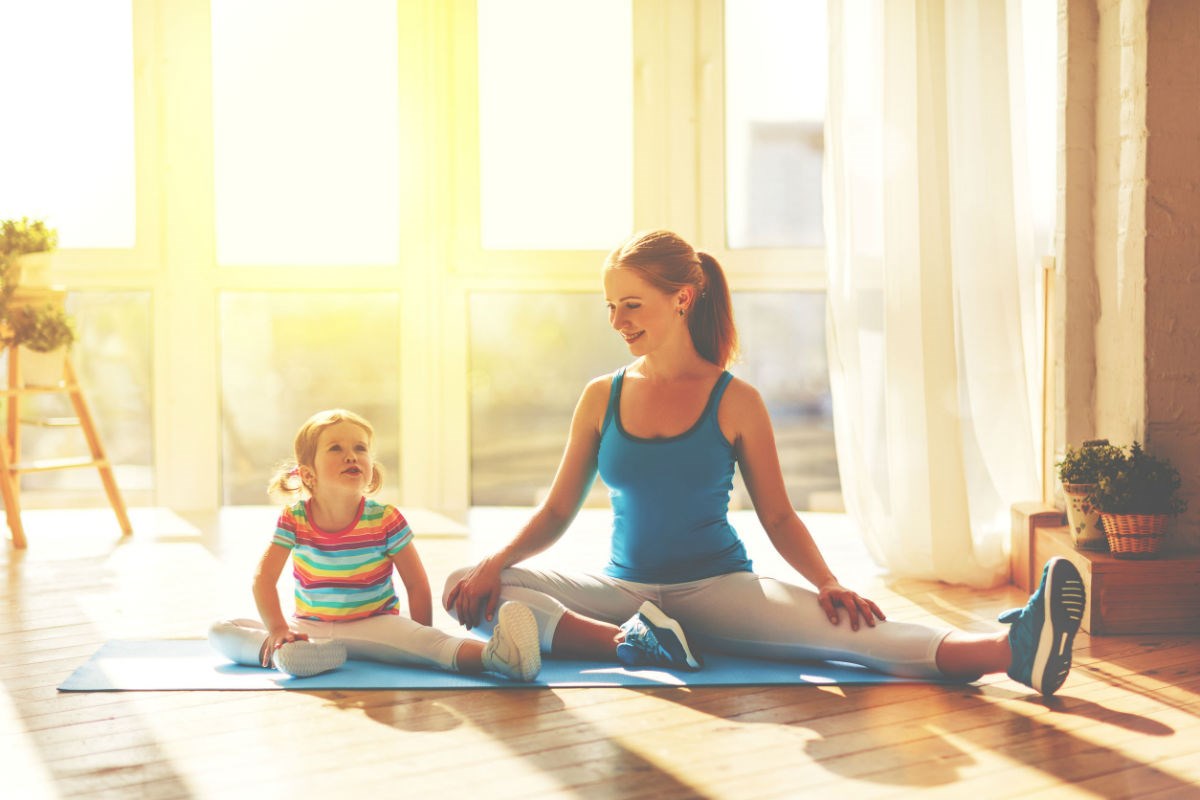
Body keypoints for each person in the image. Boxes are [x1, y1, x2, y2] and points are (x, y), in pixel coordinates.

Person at [443, 229, 1086, 696]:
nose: (617, 320)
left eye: (631, 304)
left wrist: (827, 581)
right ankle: (634, 644)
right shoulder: (600, 396)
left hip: (719, 588)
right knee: (473, 585)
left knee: (849, 635)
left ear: (683, 299)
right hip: (626, 595)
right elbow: (558, 510)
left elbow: (777, 515)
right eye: (609, 306)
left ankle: (1011, 650)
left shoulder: (735, 400)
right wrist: (494, 564)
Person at [210, 408, 541, 682]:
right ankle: (291, 653)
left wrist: (419, 636)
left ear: (370, 469)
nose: (351, 456)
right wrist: (280, 629)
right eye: (336, 449)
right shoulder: (294, 519)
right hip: (311, 627)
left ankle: (500, 657)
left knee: (434, 643)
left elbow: (416, 582)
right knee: (222, 630)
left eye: (360, 449)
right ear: (308, 475)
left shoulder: (385, 519)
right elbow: (263, 580)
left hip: (376, 623)